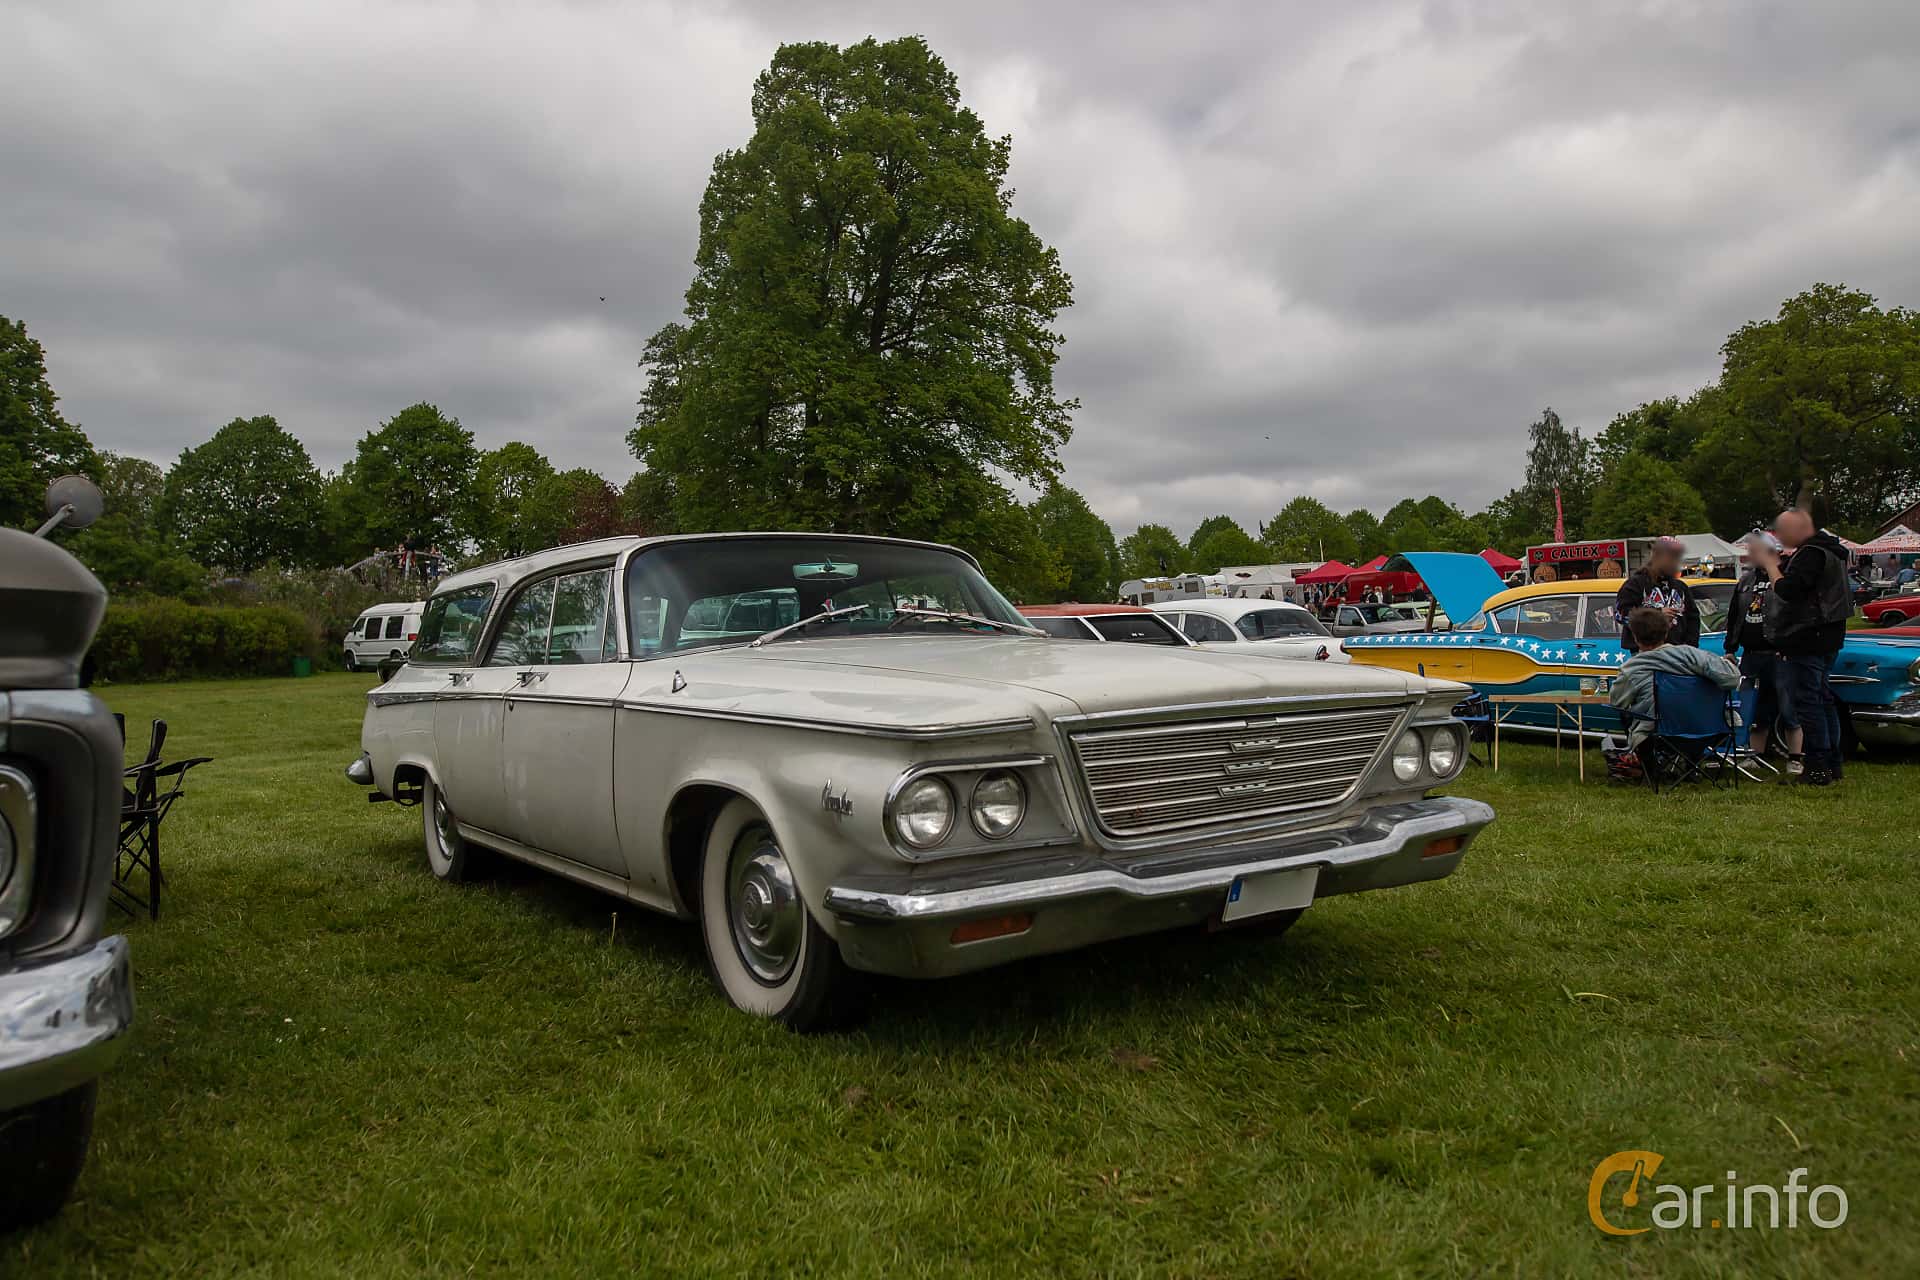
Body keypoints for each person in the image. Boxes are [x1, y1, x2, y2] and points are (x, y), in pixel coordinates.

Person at [1753, 509, 1851, 786]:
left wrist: (1771, 566)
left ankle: (1817, 764)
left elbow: (1789, 591)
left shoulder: (1812, 553)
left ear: (1800, 529)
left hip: (1808, 636)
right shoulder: (1831, 551)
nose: (1780, 537)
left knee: (1810, 702)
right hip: (1828, 634)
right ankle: (1833, 762)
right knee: (1823, 698)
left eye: (1783, 531)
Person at [1608, 607, 1740, 748]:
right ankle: (1691, 766)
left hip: (1656, 737)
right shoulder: (1694, 655)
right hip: (1710, 731)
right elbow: (1732, 678)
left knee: (1630, 716)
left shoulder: (1632, 669)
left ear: (1635, 637)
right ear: (1666, 633)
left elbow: (1617, 702)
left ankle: (1647, 766)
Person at [1724, 531, 1787, 760]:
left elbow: (1790, 610)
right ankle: (1753, 754)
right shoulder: (1746, 580)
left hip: (1779, 653)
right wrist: (1730, 648)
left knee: (1786, 705)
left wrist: (1788, 644)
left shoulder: (1785, 575)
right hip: (1751, 655)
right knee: (1750, 706)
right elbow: (1734, 615)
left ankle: (1797, 756)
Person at [1616, 536, 1700, 652]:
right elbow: (1621, 615)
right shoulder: (1635, 584)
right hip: (1645, 653)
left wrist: (1690, 648)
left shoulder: (1680, 587)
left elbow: (1693, 618)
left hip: (1678, 653)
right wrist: (1657, 615)